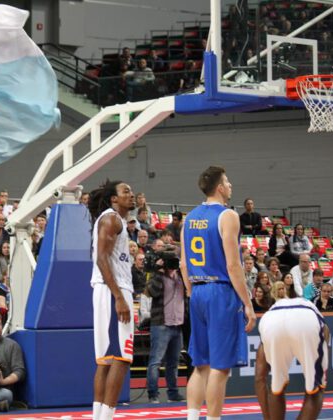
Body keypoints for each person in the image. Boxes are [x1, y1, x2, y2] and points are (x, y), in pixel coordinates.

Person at [180, 166, 255, 420]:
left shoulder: (189, 218)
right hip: (220, 291)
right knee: (220, 368)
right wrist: (248, 303)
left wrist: (192, 292)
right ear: (220, 188)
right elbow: (233, 266)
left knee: (201, 366)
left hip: (198, 291)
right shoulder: (227, 216)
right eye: (228, 181)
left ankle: (192, 417)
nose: (231, 185)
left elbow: (182, 264)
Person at [87, 180, 135, 420]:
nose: (131, 194)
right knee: (120, 359)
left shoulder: (116, 221)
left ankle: (99, 417)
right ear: (113, 198)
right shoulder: (112, 219)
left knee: (106, 360)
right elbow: (102, 259)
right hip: (113, 290)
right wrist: (119, 297)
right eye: (125, 191)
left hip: (106, 289)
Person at [255, 298, 329, 420]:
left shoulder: (273, 310)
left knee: (276, 387)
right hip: (306, 319)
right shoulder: (314, 313)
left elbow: (259, 377)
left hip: (271, 320)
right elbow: (324, 335)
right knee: (316, 388)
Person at [145, 254, 186, 404]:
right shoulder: (158, 276)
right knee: (155, 361)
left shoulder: (181, 276)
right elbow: (151, 292)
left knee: (173, 362)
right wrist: (158, 271)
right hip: (161, 324)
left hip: (178, 324)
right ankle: (153, 394)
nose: (172, 264)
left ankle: (173, 393)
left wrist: (183, 268)